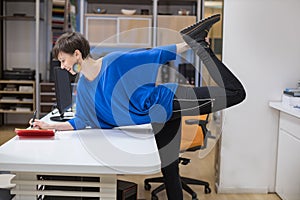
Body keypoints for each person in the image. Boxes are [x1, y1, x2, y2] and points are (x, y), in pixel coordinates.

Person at [31, 14, 245, 200]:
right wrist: (50, 127)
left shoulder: (113, 62)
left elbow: (153, 54)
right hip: (160, 117)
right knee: (169, 169)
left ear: (77, 54)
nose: (63, 66)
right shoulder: (85, 88)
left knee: (236, 94)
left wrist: (190, 44)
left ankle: (201, 46)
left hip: (168, 99)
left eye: (63, 60)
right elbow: (81, 120)